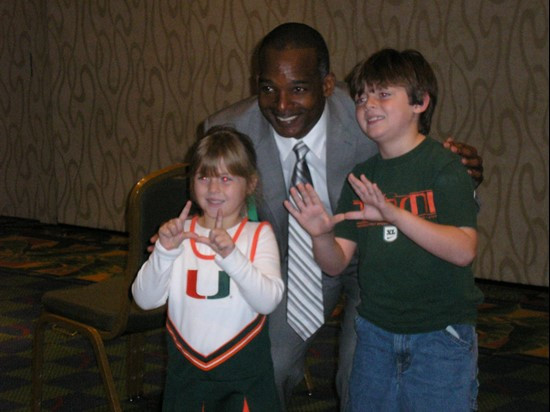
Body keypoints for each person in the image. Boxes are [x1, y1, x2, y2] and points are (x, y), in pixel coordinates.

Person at [202, 23, 484, 410]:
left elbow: (423, 163)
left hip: (380, 262)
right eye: (268, 88)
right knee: (270, 363)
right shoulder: (231, 131)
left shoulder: (367, 116)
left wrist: (465, 172)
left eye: (298, 88)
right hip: (306, 260)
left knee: (362, 377)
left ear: (328, 84)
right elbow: (213, 202)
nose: (281, 105)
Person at [285, 48, 483, 411]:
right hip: (375, 335)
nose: (368, 105)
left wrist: (395, 215)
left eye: (383, 94)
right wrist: (319, 234)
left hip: (439, 336)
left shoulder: (444, 167)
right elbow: (335, 263)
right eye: (361, 98)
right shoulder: (361, 177)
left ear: (420, 102)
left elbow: (463, 250)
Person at [132, 126, 284, 411]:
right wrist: (165, 252)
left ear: (250, 184)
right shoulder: (178, 236)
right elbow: (144, 299)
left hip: (244, 378)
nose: (214, 189)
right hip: (187, 377)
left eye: (226, 178)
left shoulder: (258, 235)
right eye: (204, 177)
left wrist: (231, 256)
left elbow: (268, 300)